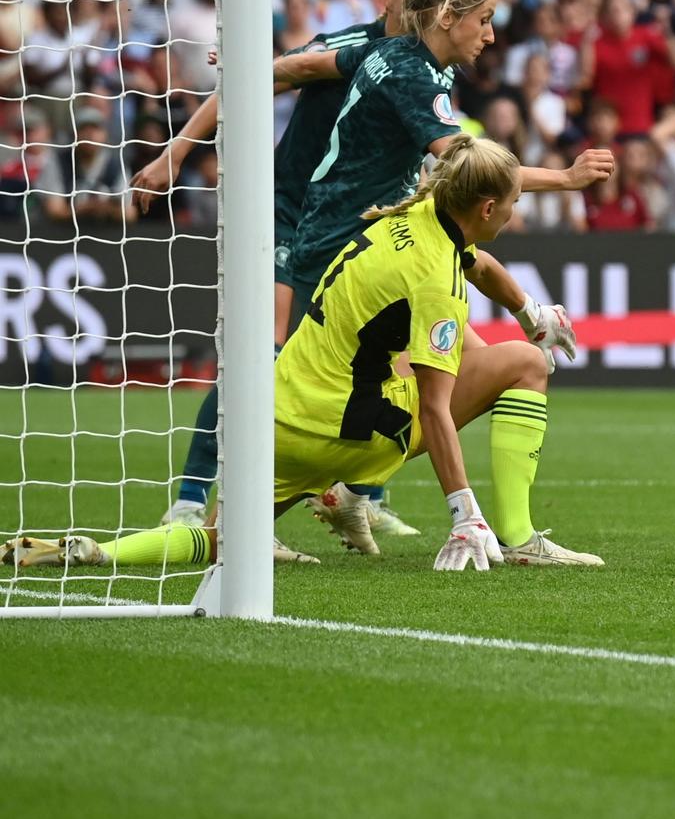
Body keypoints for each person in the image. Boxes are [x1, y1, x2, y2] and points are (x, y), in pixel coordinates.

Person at [5, 137, 608, 573]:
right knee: (524, 365)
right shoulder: (436, 282)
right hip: (350, 434)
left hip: (278, 417)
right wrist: (463, 512)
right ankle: (515, 534)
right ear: (486, 209)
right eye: (512, 203)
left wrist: (531, 313)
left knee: (224, 541)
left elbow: (480, 266)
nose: (514, 211)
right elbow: (435, 410)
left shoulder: (418, 213)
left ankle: (90, 551)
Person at [271, 0, 614, 560]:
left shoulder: (395, 52)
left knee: (487, 372)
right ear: (449, 15)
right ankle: (466, 521)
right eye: (483, 19)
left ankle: (345, 493)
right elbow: (473, 170)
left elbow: (307, 65)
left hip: (358, 235)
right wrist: (564, 178)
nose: (490, 33)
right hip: (352, 249)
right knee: (461, 382)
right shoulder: (416, 76)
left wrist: (255, 69)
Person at [134, 0, 439, 553]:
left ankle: (359, 498)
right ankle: (194, 499)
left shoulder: (430, 66)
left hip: (364, 229)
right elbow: (255, 81)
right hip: (293, 216)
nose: (430, 2)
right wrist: (175, 153)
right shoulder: (349, 46)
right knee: (267, 351)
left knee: (387, 354)